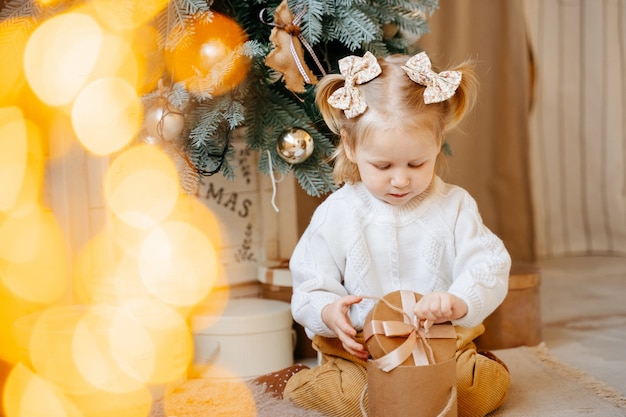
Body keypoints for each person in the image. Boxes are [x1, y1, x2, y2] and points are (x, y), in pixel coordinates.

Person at [257, 50, 512, 417]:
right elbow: (310, 284)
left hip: (437, 346)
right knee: (359, 399)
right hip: (360, 353)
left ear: (438, 143)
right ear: (351, 146)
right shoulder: (338, 212)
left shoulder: (454, 206)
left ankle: (480, 366)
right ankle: (298, 380)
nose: (401, 179)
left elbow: (488, 265)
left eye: (417, 162)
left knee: (471, 393)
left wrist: (458, 301)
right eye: (383, 165)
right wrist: (329, 312)